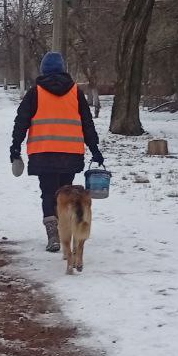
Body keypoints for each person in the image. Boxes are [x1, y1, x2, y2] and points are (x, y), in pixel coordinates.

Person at [10, 51, 103, 252]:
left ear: (43, 70)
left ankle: (53, 234)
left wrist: (15, 147)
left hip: (43, 153)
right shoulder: (75, 93)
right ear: (63, 70)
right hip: (70, 153)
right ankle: (64, 230)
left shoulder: (35, 93)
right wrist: (94, 149)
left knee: (48, 193)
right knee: (66, 193)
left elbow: (21, 122)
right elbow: (87, 124)